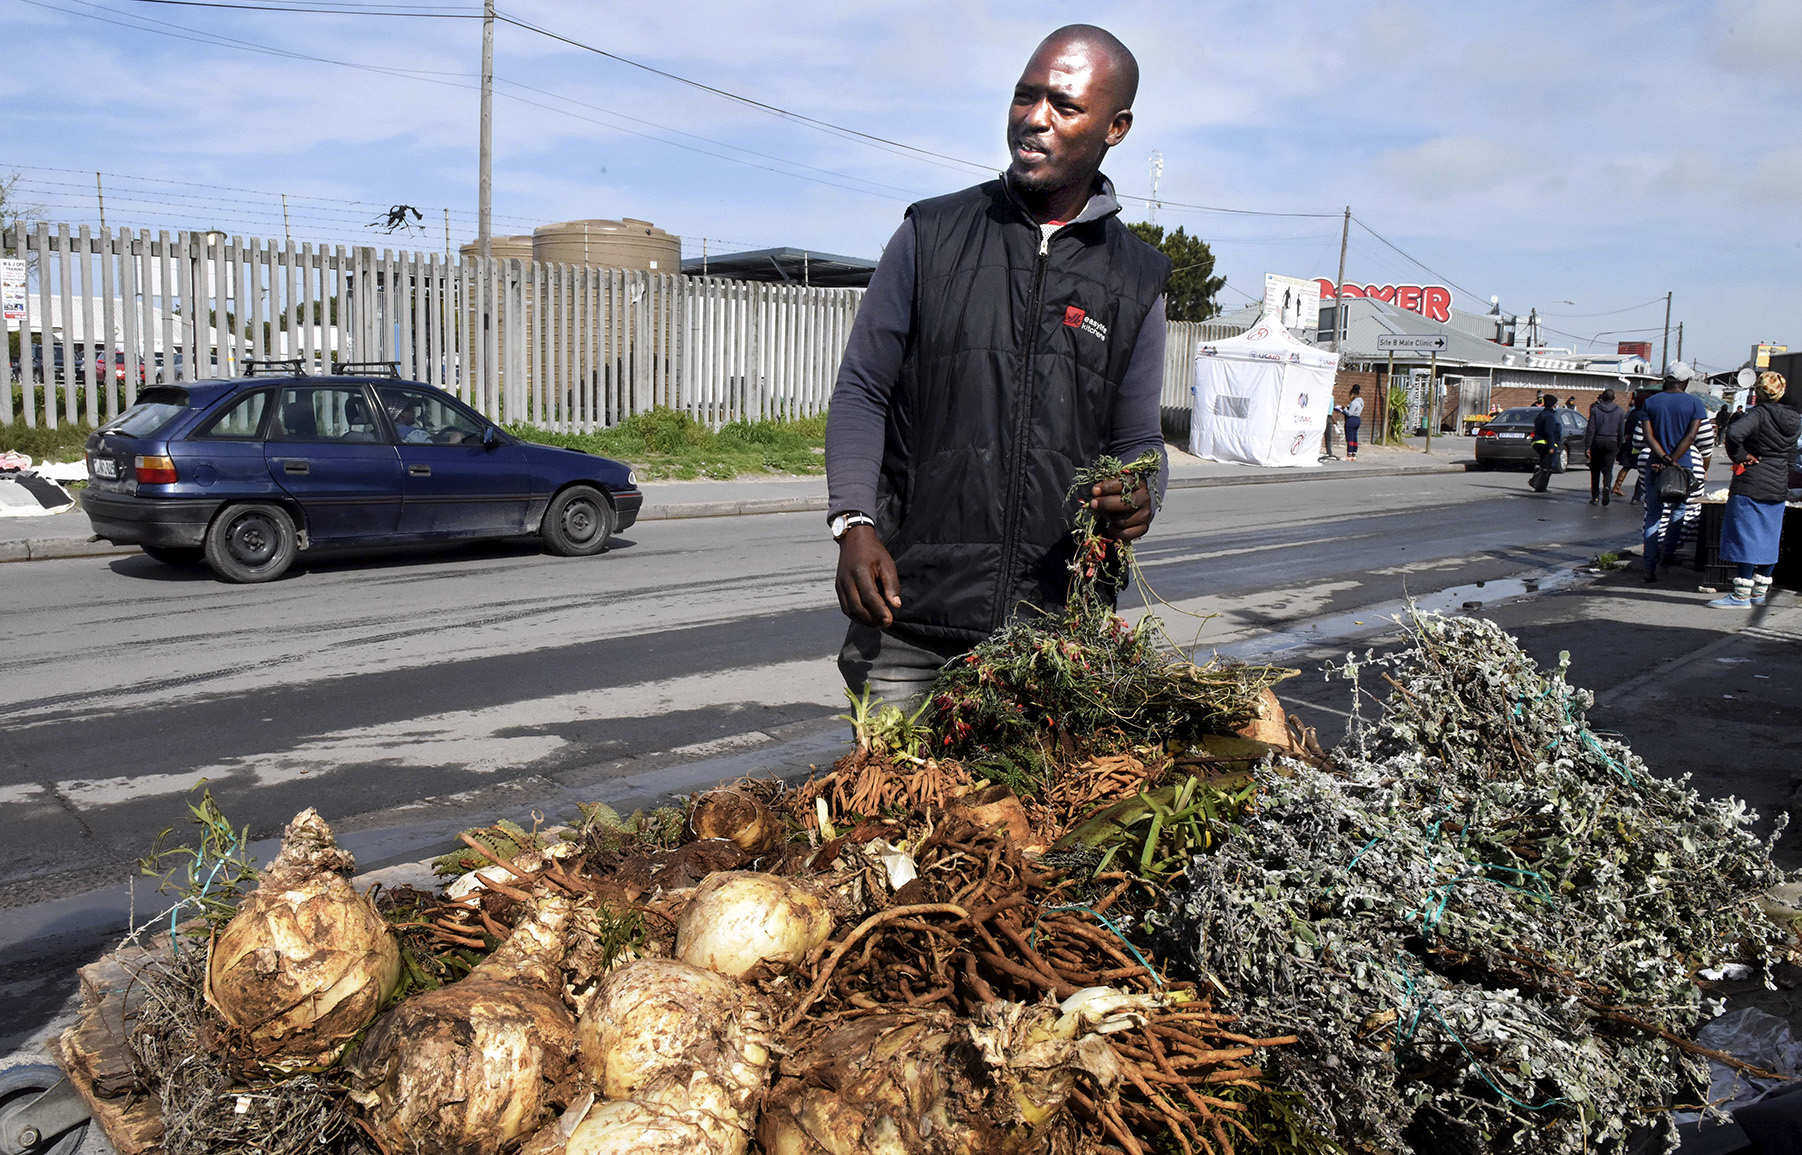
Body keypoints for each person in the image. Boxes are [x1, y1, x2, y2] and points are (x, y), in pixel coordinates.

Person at [824, 25, 1169, 710]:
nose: (1034, 118)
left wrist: (1141, 494)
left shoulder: (1138, 278)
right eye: (1024, 96)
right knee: (889, 783)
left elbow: (1139, 441)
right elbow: (862, 389)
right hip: (909, 618)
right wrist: (853, 523)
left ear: (1116, 127)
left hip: (1055, 639)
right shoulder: (929, 234)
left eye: (1064, 106)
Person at [1710, 372, 1801, 608]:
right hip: (1778, 484)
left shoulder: (1759, 414)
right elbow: (1791, 454)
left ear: (1759, 392)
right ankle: (1759, 591)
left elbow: (1734, 433)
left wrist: (1741, 456)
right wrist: (1783, 476)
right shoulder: (1794, 419)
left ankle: (1741, 594)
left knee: (1746, 537)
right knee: (1770, 537)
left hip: (1752, 482)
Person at [1639, 373, 1711, 581]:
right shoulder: (1695, 403)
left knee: (1653, 514)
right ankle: (1667, 555)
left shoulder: (1650, 402)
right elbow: (1691, 436)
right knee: (1678, 510)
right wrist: (1673, 460)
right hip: (1683, 467)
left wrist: (1663, 459)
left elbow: (1647, 436)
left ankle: (1649, 567)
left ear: (1666, 380)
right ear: (1685, 381)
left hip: (1654, 465)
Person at [1584, 388, 1626, 505]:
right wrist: (1619, 445)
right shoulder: (1620, 411)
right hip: (1612, 442)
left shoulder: (1595, 410)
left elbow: (1591, 429)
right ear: (1614, 398)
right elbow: (1621, 431)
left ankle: (1595, 496)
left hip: (1597, 441)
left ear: (1602, 397)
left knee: (1595, 470)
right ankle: (1607, 487)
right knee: (1608, 470)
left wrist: (1588, 446)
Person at [1528, 395, 1563, 492]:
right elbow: (1549, 432)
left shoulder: (1542, 414)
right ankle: (1539, 485)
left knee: (1544, 464)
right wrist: (1551, 446)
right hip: (1546, 443)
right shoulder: (1549, 416)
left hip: (1538, 442)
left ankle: (1537, 483)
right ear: (1553, 404)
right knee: (1548, 466)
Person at [1337, 384, 1364, 460]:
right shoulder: (1361, 402)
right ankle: (1353, 454)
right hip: (1357, 419)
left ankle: (1348, 455)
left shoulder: (1354, 402)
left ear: (1353, 394)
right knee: (1355, 437)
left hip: (1351, 420)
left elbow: (1349, 413)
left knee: (1350, 437)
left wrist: (1343, 409)